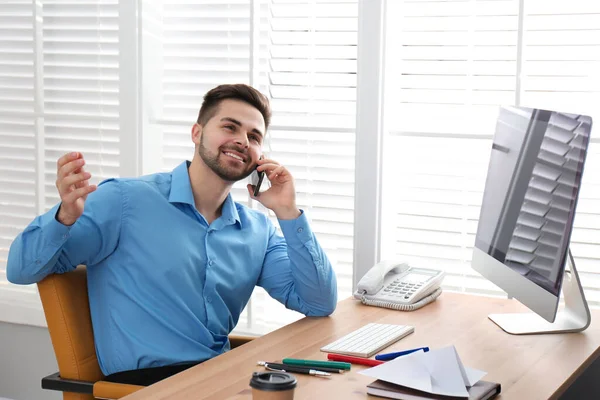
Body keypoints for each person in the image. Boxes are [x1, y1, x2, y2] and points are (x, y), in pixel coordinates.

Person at [7, 84, 337, 386]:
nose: (242, 140)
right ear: (197, 133)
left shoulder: (257, 230)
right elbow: (21, 270)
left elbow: (318, 301)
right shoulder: (124, 201)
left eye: (254, 136)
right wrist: (63, 217)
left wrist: (288, 212)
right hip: (144, 386)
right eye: (229, 126)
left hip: (219, 379)